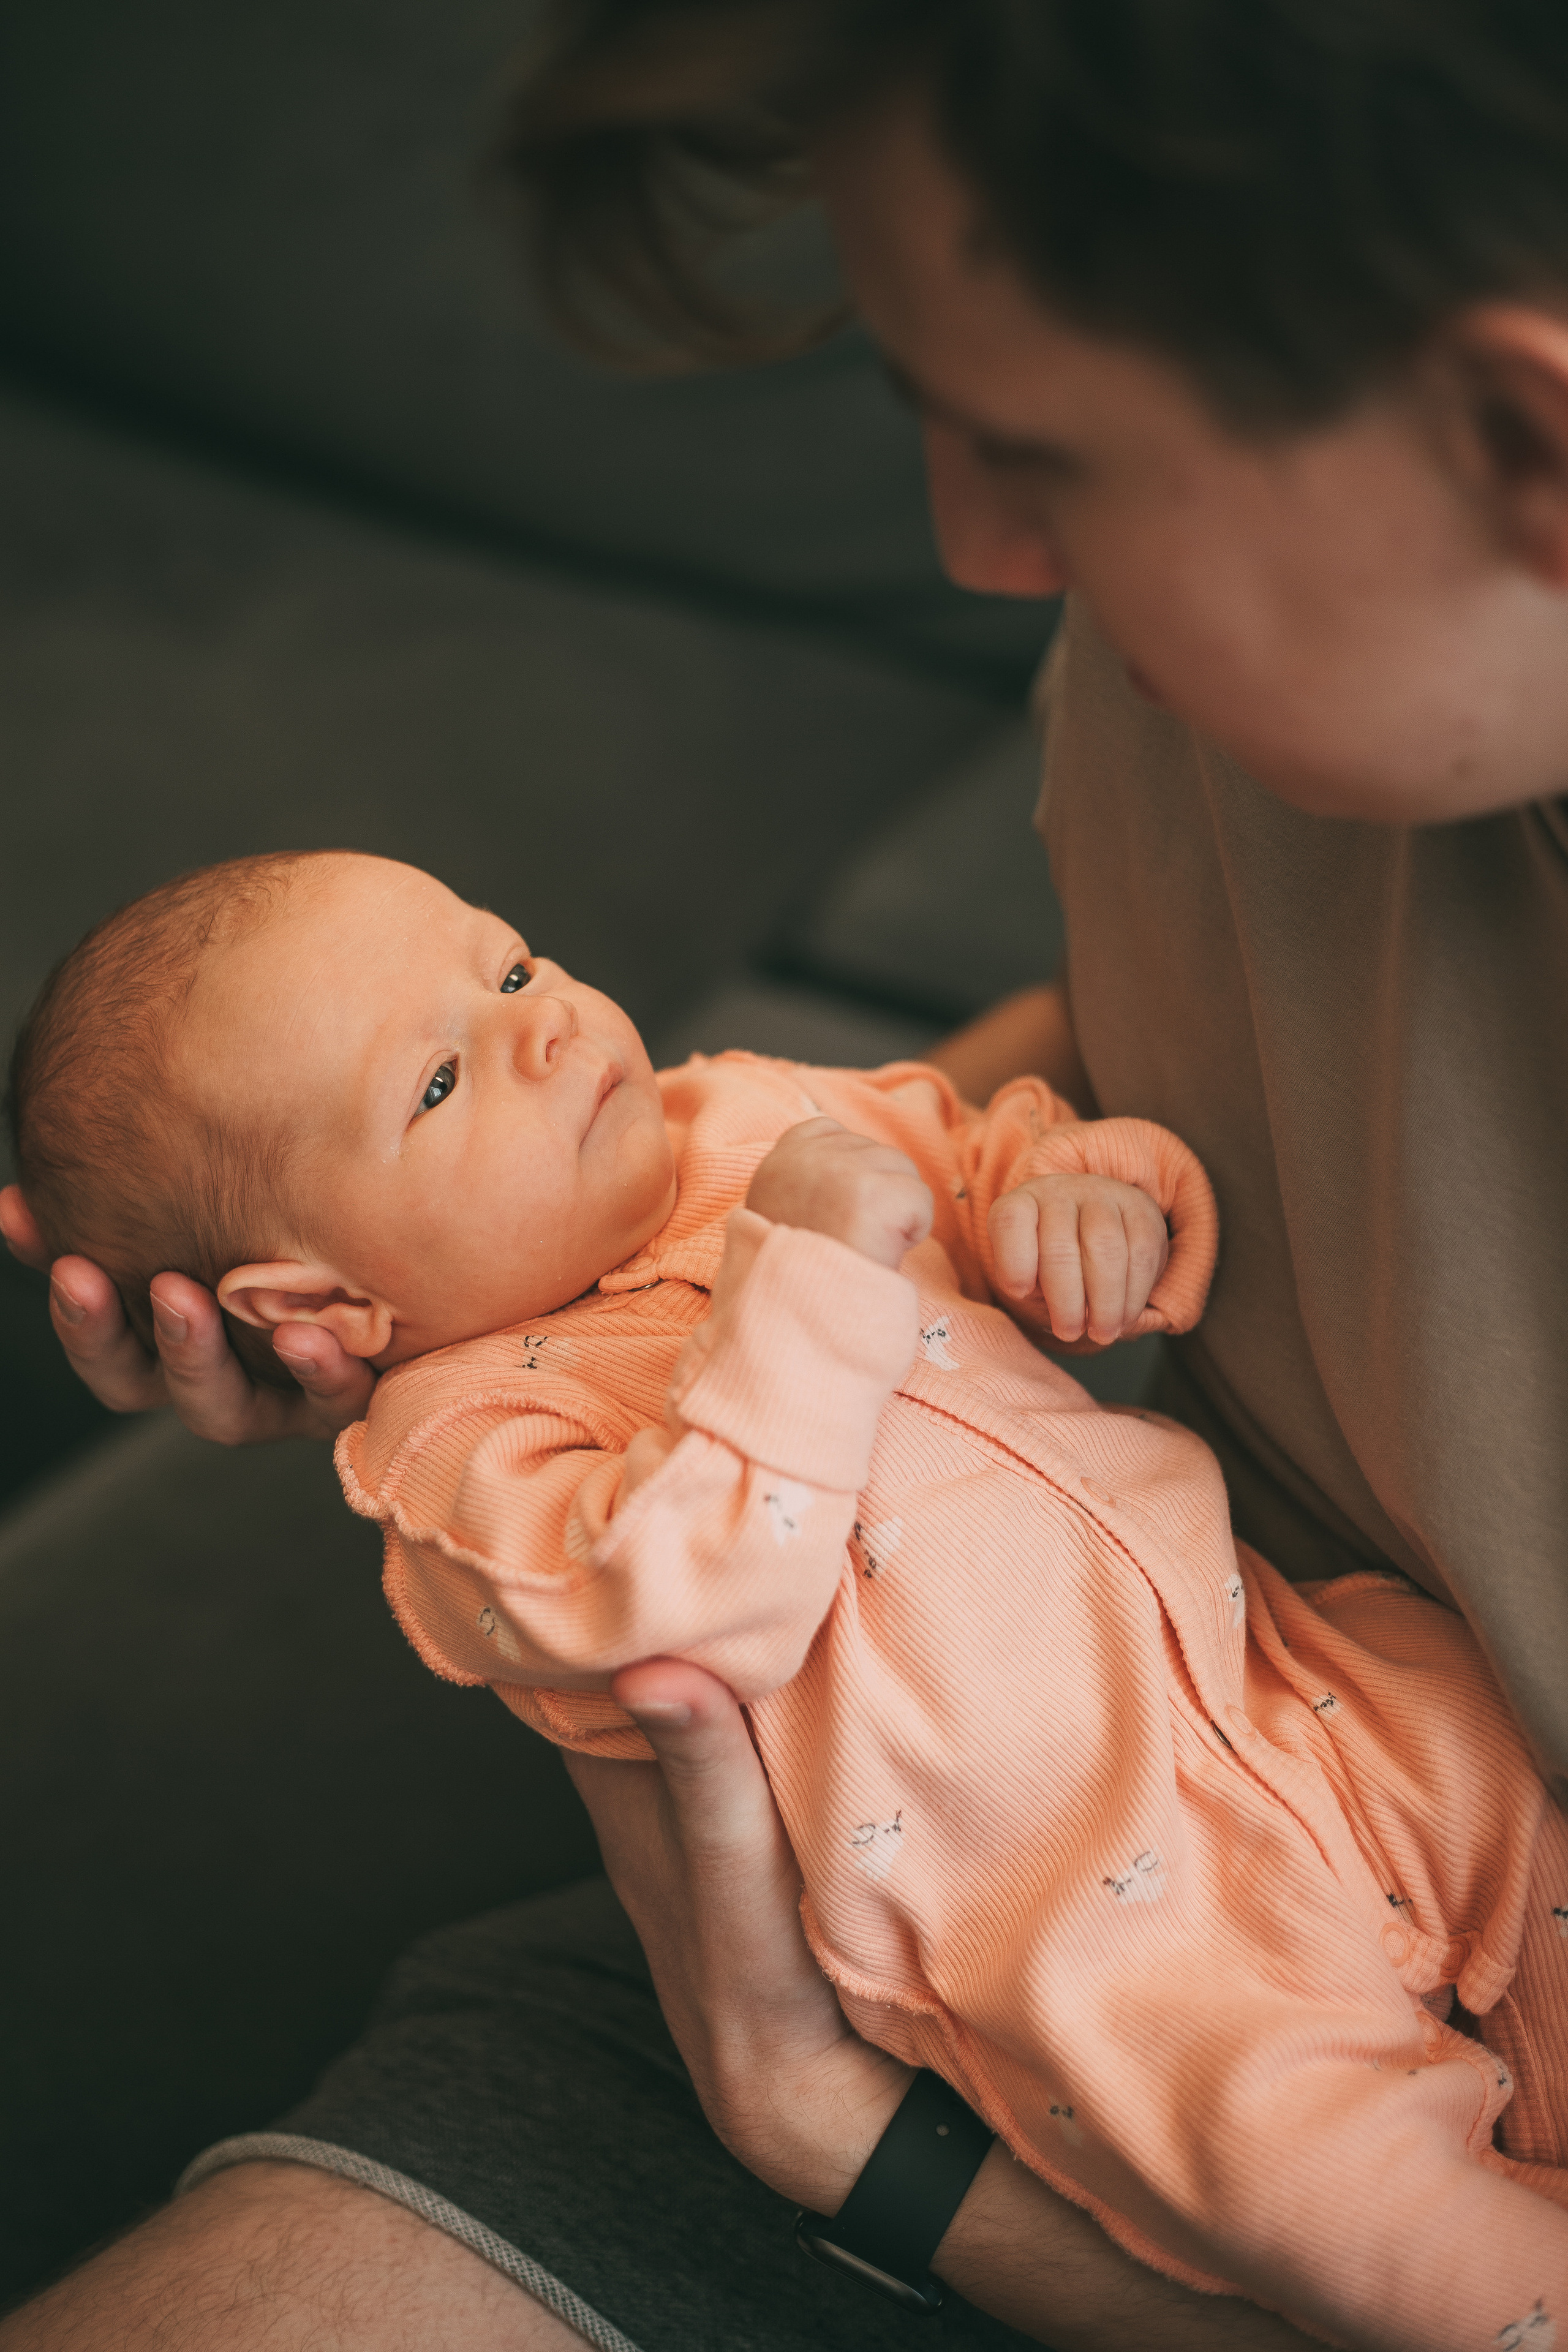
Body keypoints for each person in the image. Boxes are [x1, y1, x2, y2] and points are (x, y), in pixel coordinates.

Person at [4, 2, 1567, 2346]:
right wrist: (491, 1300)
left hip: (1210, 1894)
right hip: (1020, 1889)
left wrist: (859, 2151)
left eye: (1047, 455)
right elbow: (1090, 1077)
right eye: (935, 408)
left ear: (1524, 444)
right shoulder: (1225, 637)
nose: (979, 552)